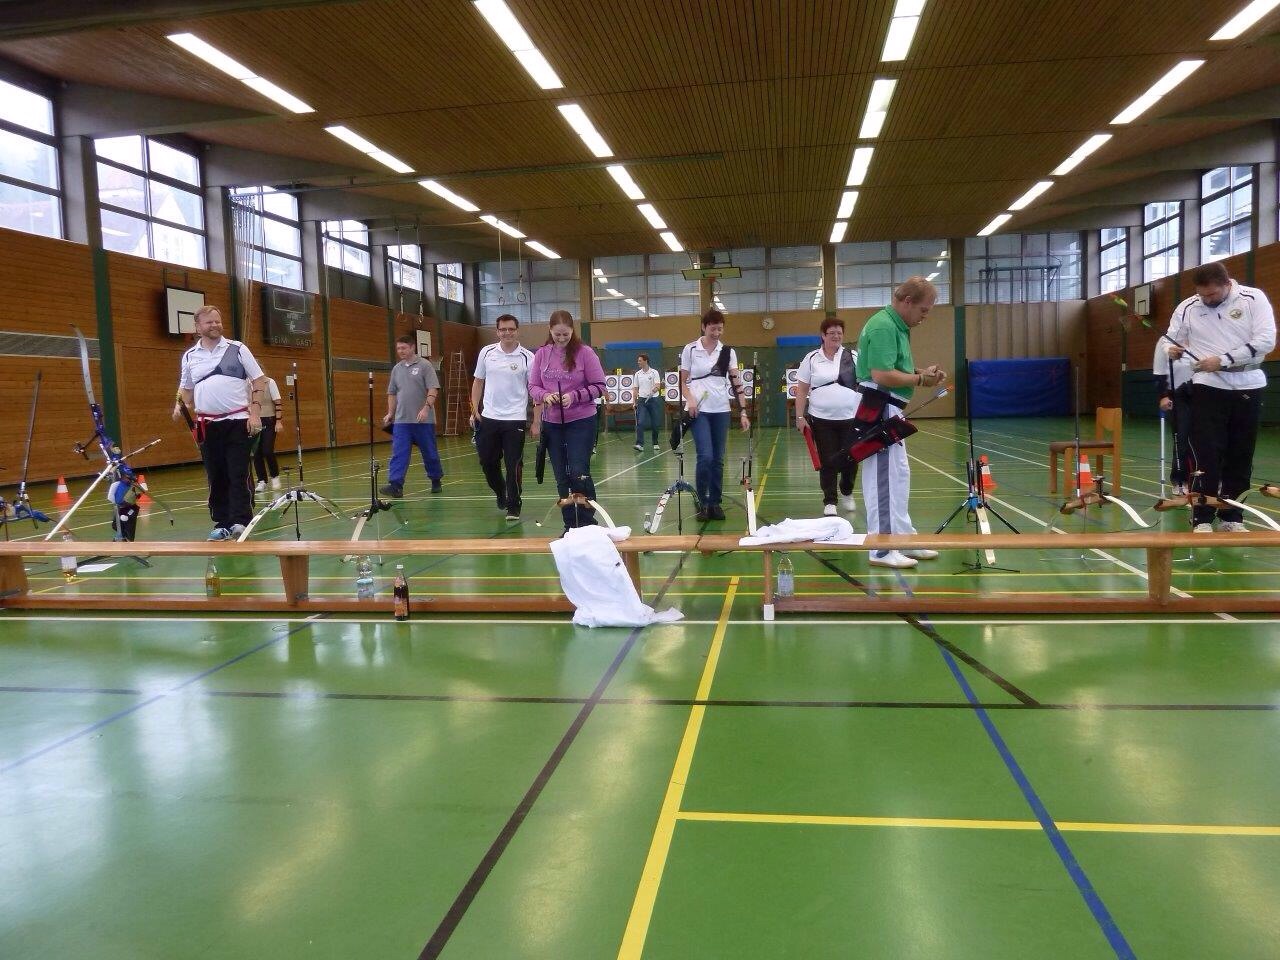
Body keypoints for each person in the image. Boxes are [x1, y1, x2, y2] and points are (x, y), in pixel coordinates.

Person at [1162, 261, 1276, 532]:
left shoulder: (1253, 299)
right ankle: (1202, 517)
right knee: (1207, 453)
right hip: (1207, 385)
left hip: (1248, 383)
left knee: (1240, 454)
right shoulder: (1188, 307)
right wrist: (1171, 349)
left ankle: (1232, 517)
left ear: (1227, 284)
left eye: (1212, 294)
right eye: (1202, 294)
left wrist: (1224, 360)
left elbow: (1266, 340)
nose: (1206, 299)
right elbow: (1170, 338)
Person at [855, 277, 947, 568]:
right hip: (880, 408)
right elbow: (881, 374)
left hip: (890, 409)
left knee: (898, 477)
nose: (925, 317)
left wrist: (921, 372)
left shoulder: (896, 326)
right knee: (883, 480)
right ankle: (881, 549)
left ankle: (903, 539)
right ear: (907, 302)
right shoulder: (884, 325)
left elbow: (895, 367)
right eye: (923, 310)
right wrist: (920, 379)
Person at [173, 304, 266, 541]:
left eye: (218, 321)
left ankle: (241, 521)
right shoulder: (190, 356)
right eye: (209, 322)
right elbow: (186, 389)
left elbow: (259, 380)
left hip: (238, 422)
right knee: (216, 476)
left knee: (237, 473)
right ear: (198, 327)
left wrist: (255, 414)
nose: (215, 325)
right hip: (207, 426)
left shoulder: (238, 349)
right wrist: (179, 404)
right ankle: (222, 523)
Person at [528, 310, 607, 530]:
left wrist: (574, 396)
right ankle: (570, 525)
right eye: (557, 335)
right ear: (550, 331)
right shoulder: (541, 354)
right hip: (553, 424)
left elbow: (600, 386)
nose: (562, 339)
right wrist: (545, 395)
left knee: (578, 472)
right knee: (562, 476)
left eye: (566, 334)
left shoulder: (585, 353)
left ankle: (587, 523)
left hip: (581, 421)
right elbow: (533, 386)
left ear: (573, 330)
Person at [679, 308, 750, 522]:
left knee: (718, 459)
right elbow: (682, 382)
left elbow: (737, 383)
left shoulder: (727, 351)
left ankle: (715, 502)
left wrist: (743, 411)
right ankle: (702, 501)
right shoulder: (690, 349)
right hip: (698, 411)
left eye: (720, 329)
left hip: (721, 410)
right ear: (704, 327)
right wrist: (690, 399)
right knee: (705, 456)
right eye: (713, 329)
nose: (717, 333)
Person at [471, 313, 538, 521]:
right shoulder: (486, 352)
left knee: (513, 464)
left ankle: (513, 504)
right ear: (497, 331)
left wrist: (536, 421)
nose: (507, 333)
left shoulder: (528, 357)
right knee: (487, 462)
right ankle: (501, 492)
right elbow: (478, 382)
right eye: (503, 329)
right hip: (489, 417)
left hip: (515, 419)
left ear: (517, 331)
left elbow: (534, 389)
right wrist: (474, 409)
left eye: (511, 329)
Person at [794, 317, 860, 516]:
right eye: (832, 333)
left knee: (851, 460)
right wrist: (799, 417)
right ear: (823, 335)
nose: (836, 336)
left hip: (850, 418)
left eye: (839, 333)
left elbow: (865, 381)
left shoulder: (853, 356)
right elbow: (802, 389)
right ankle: (830, 500)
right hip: (821, 419)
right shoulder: (811, 358)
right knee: (828, 460)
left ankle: (847, 491)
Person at [380, 335, 443, 497]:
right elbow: (392, 393)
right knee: (399, 453)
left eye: (404, 348)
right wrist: (390, 413)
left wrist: (426, 408)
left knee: (429, 452)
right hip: (402, 421)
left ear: (413, 347)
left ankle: (435, 479)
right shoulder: (397, 369)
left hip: (423, 421)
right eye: (398, 348)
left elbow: (433, 389)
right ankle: (396, 485)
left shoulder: (425, 365)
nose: (400, 351)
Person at [1152, 337, 1193, 495]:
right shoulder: (1164, 341)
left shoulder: (1200, 335)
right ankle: (1180, 479)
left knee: (1205, 438)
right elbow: (1159, 373)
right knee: (1182, 438)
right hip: (1177, 395)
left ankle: (1205, 479)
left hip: (1200, 392)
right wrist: (1163, 396)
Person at [253, 374, 283, 493]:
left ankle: (275, 476)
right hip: (255, 421)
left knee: (267, 450)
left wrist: (278, 422)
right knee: (256, 452)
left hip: (269, 420)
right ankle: (262, 481)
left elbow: (278, 403)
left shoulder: (270, 382)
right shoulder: (248, 384)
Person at [633, 353, 663, 452]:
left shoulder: (654, 372)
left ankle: (655, 442)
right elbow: (635, 388)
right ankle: (639, 444)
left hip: (653, 400)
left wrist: (654, 389)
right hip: (642, 400)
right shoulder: (637, 374)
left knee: (655, 423)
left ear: (645, 361)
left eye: (640, 361)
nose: (638, 362)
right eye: (638, 361)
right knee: (640, 422)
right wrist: (634, 401)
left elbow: (658, 385)